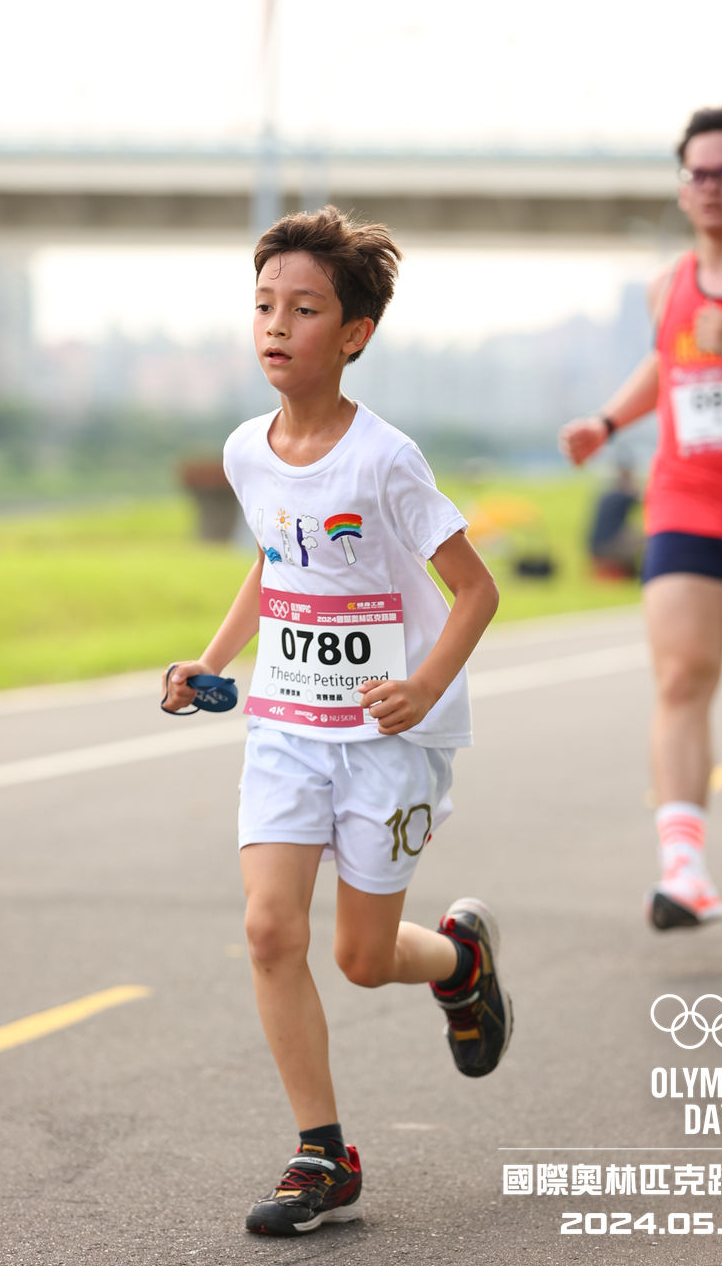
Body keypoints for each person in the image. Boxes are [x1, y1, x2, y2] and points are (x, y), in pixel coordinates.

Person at [161, 206, 512, 1235]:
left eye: (304, 309)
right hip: (285, 724)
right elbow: (274, 560)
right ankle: (323, 1153)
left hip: (387, 738)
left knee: (361, 956)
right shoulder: (247, 449)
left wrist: (424, 687)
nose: (276, 324)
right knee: (270, 927)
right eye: (264, 304)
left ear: (354, 332)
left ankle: (461, 962)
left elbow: (476, 589)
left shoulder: (385, 459)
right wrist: (212, 660)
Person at [559, 100, 722, 932]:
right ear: (682, 187)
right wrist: (606, 421)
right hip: (687, 508)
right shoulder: (668, 285)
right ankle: (683, 871)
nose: (710, 186)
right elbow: (663, 364)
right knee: (680, 676)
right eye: (696, 173)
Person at [587, 463, 643, 578]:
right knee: (649, 539)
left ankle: (631, 572)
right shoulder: (623, 497)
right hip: (608, 546)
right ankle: (644, 572)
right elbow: (643, 498)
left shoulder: (606, 495)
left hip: (594, 546)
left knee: (631, 532)